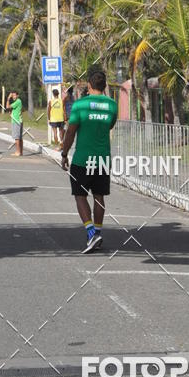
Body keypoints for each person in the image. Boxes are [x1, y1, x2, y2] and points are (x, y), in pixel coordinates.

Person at [61, 69, 118, 254]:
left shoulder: (80, 105)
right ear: (105, 86)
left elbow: (71, 131)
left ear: (89, 85)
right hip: (102, 158)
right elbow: (110, 124)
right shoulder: (112, 105)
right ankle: (98, 232)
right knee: (99, 196)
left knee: (80, 195)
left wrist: (64, 153)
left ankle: (91, 233)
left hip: (82, 159)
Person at [5, 91, 23, 156]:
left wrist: (8, 98)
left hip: (16, 121)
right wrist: (12, 113)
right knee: (19, 137)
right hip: (18, 120)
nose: (13, 97)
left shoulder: (18, 101)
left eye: (14, 95)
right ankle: (20, 152)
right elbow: (16, 110)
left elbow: (7, 107)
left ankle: (18, 152)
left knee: (17, 138)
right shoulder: (18, 102)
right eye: (12, 96)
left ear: (17, 95)